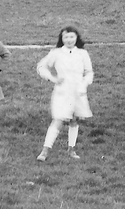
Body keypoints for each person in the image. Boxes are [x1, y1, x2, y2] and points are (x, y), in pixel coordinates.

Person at [35, 25, 93, 161]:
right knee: (58, 120)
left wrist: (84, 84)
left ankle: (71, 149)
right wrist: (53, 78)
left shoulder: (82, 53)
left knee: (74, 120)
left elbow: (89, 72)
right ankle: (45, 151)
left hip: (78, 91)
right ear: (62, 39)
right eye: (66, 37)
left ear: (76, 38)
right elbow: (41, 67)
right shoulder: (56, 53)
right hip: (62, 91)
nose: (69, 40)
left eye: (72, 37)